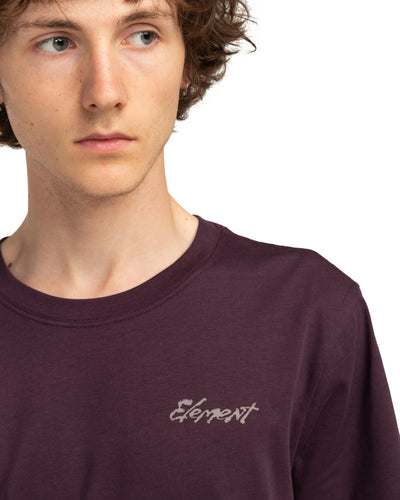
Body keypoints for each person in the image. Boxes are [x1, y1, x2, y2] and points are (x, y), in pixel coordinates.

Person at [0, 0, 399, 498]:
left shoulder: (308, 313)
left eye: (142, 35)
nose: (104, 92)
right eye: (57, 43)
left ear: (186, 60)